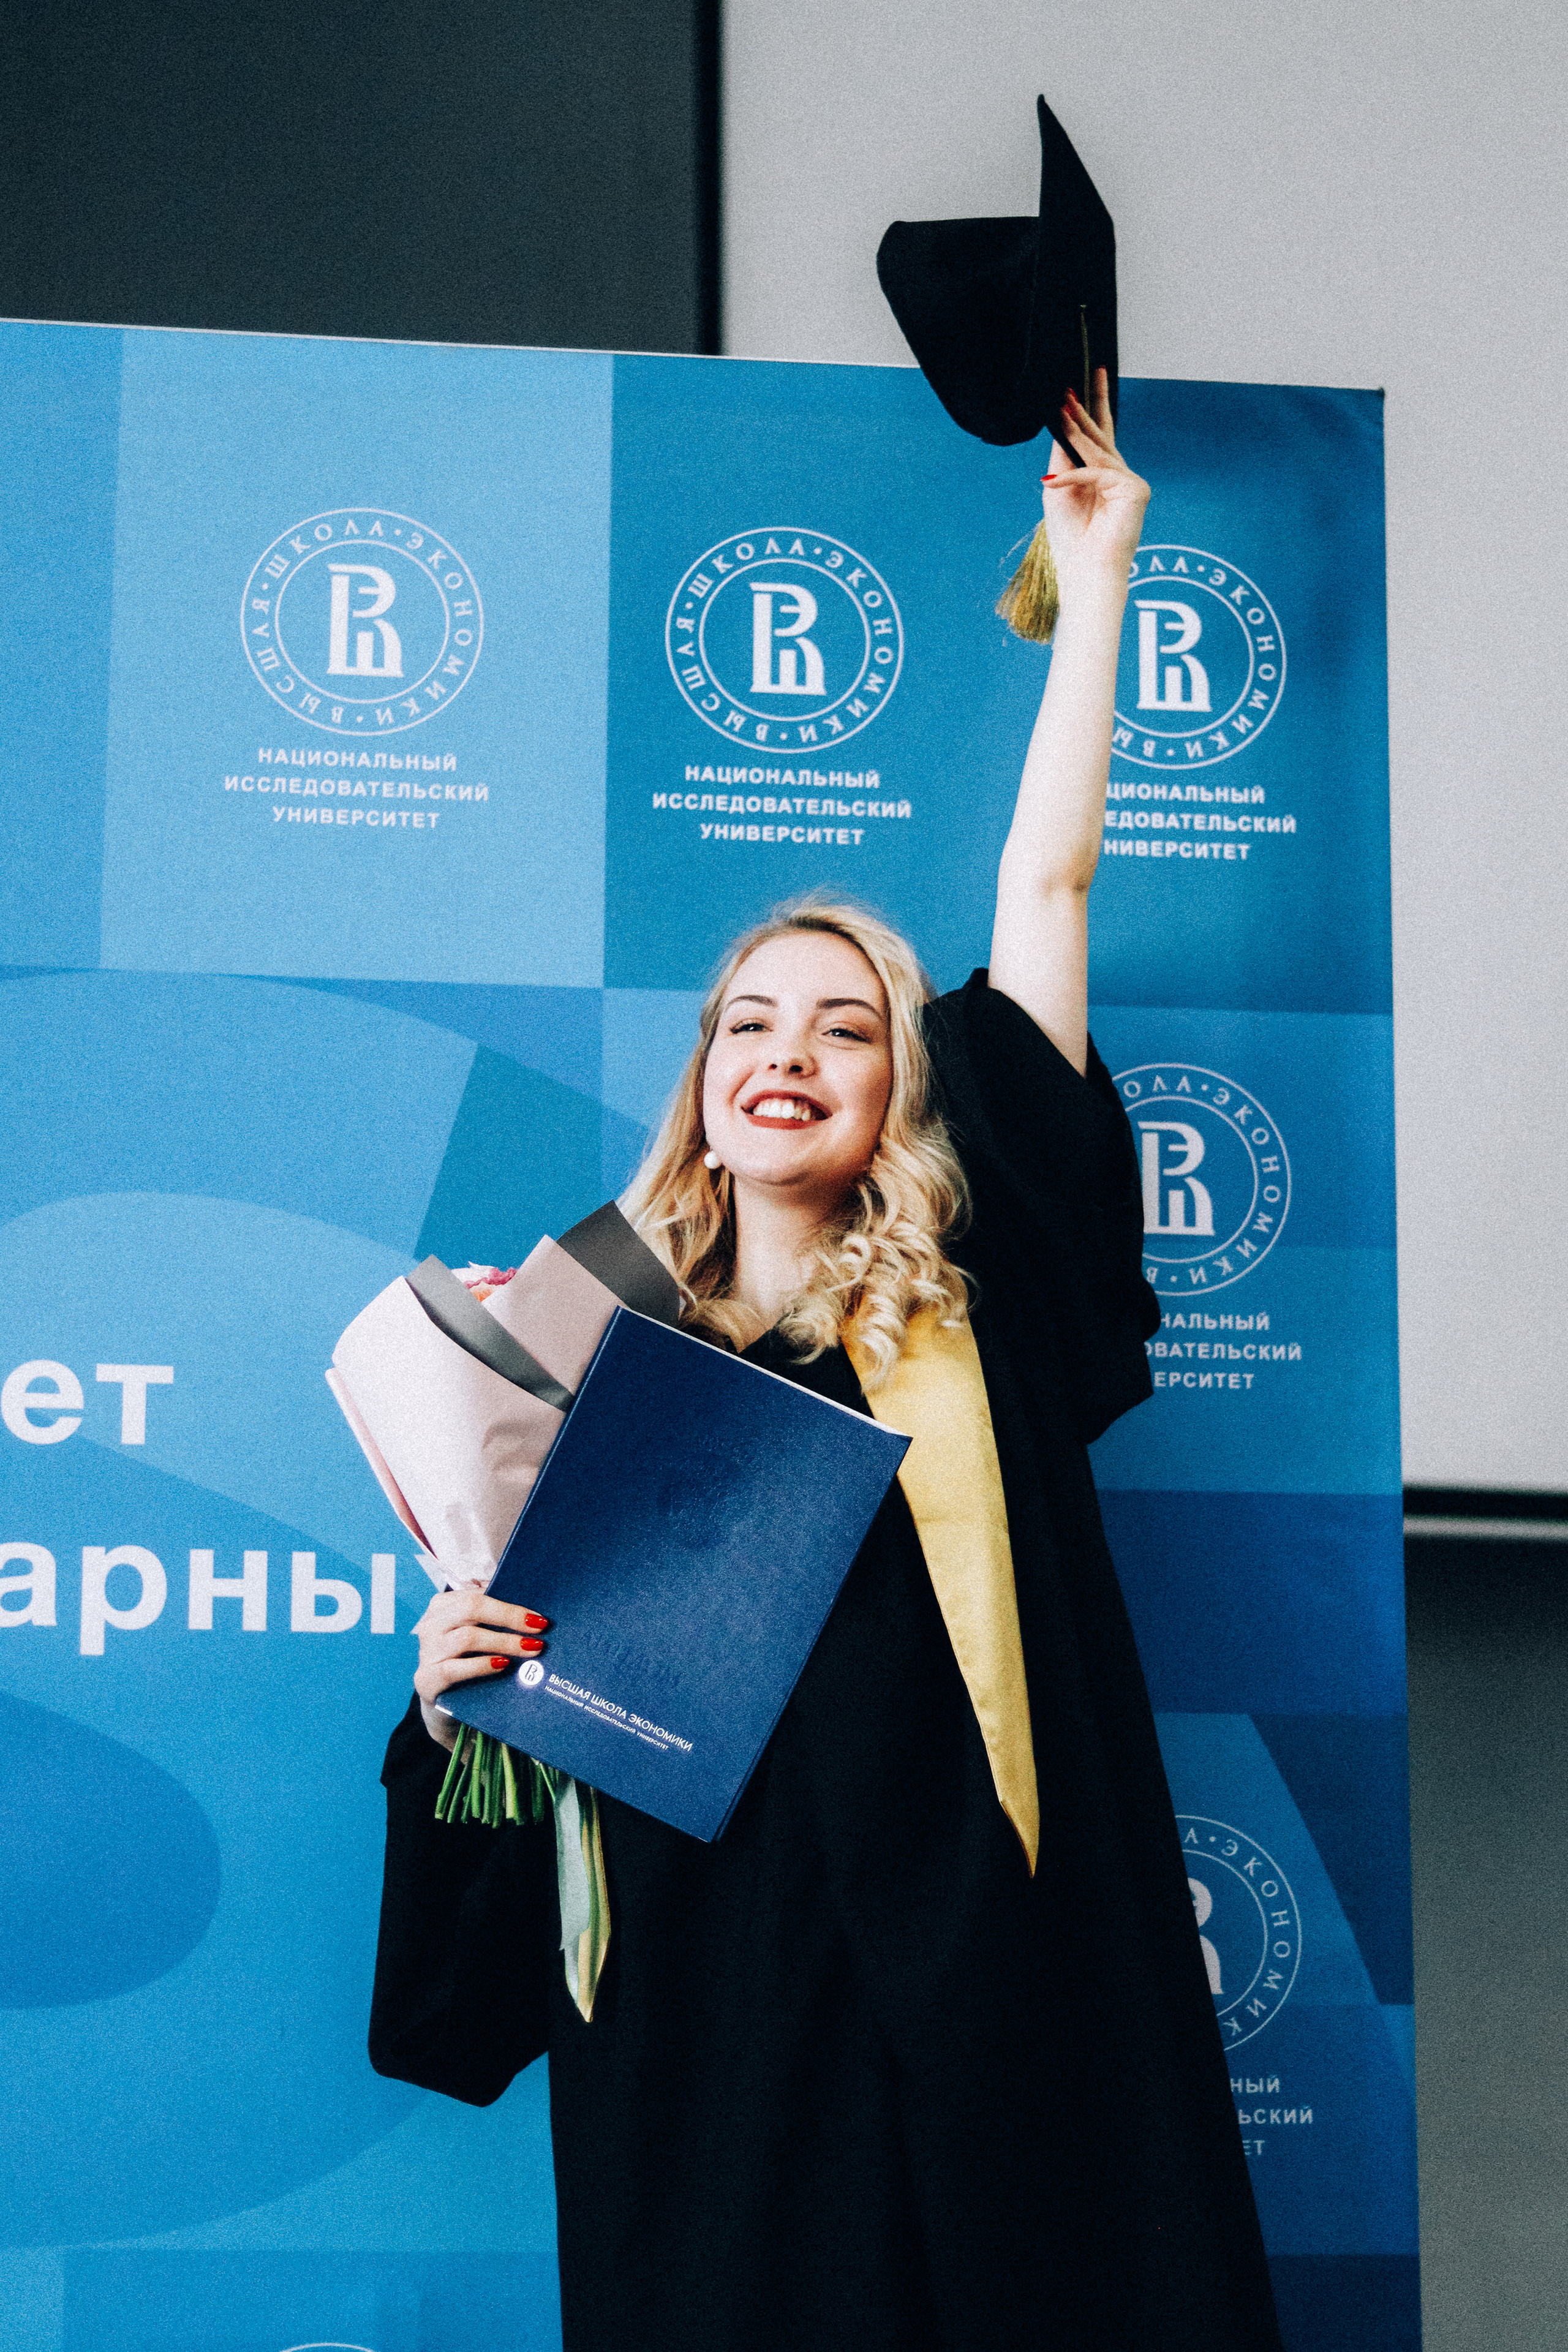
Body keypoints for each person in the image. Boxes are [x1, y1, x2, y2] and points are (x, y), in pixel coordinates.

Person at [368, 378, 1284, 2351]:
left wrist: (1102, 574)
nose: (788, 1047)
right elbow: (524, 1762)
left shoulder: (983, 1305)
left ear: (902, 1088)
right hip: (717, 2008)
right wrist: (450, 1713)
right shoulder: (576, 1343)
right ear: (701, 1080)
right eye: (748, 1020)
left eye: (848, 1026)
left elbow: (1046, 895)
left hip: (988, 1985)